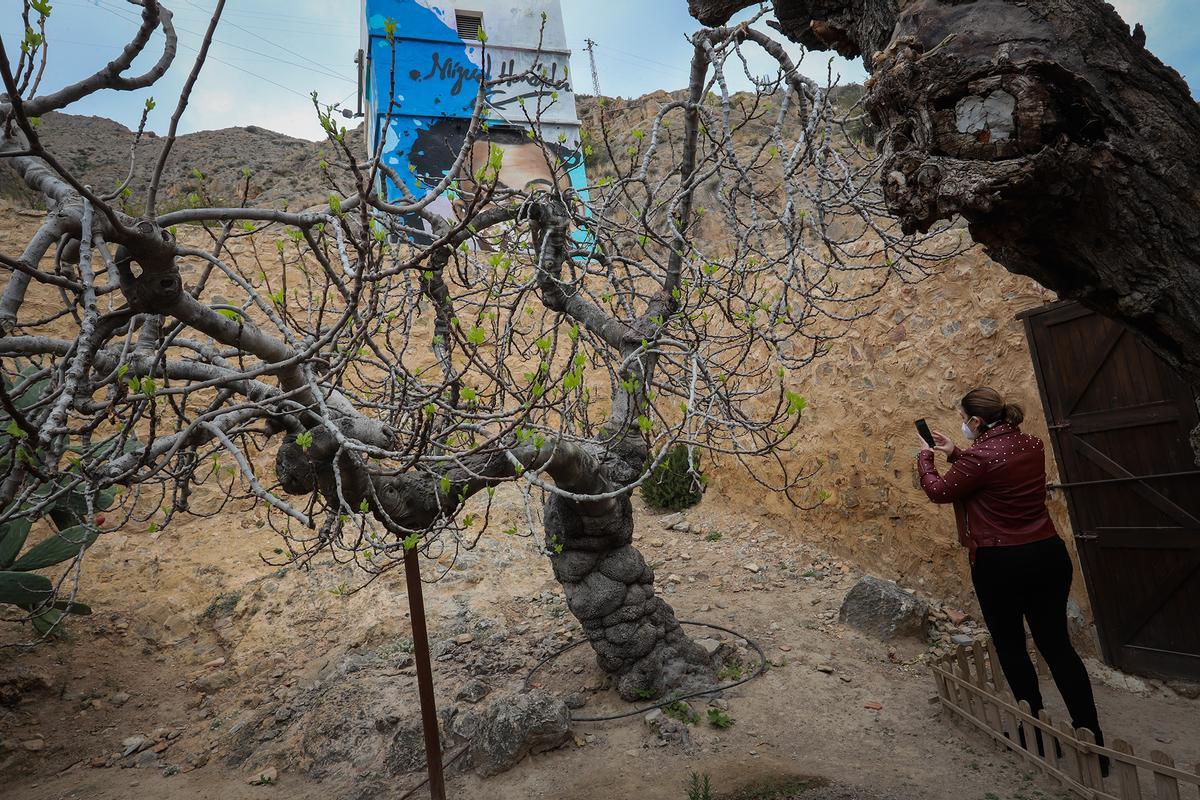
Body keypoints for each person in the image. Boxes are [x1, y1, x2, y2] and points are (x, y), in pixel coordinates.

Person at [917, 387, 1106, 768]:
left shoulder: (981, 459)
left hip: (1000, 561)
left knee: (1012, 647)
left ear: (975, 420)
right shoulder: (1031, 443)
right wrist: (956, 452)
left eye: (963, 417)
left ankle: (1034, 730)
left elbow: (939, 490)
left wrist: (925, 456)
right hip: (1048, 553)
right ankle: (1092, 739)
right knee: (1058, 647)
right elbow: (992, 471)